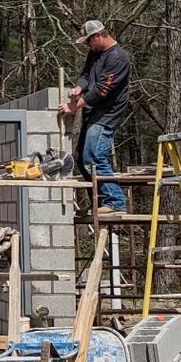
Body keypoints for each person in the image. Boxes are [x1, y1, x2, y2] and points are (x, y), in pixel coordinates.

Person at [62, 19, 132, 215]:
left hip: (108, 112)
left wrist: (73, 106)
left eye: (88, 41)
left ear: (98, 36)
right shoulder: (96, 53)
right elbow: (86, 75)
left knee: (94, 154)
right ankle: (99, 202)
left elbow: (102, 89)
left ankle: (115, 201)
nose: (87, 45)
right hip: (94, 111)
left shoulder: (117, 58)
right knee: (80, 158)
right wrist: (79, 87)